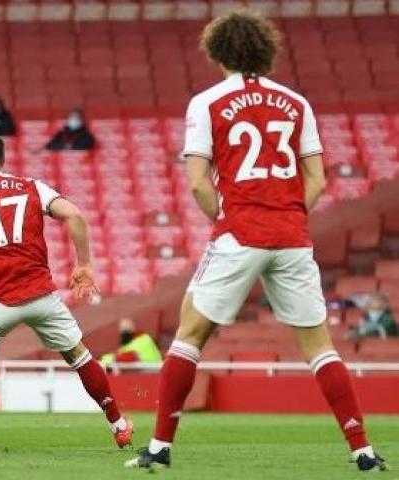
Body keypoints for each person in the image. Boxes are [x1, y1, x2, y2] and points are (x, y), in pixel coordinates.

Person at [125, 11, 386, 472]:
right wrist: (287, 214)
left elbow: (200, 183)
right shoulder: (296, 103)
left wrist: (228, 217)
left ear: (216, 51)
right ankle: (363, 452)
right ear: (266, 50)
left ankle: (160, 449)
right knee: (320, 346)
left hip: (240, 230)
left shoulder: (207, 103)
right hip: (291, 235)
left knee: (190, 336)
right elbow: (318, 178)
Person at [0, 133, 133, 453]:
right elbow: (75, 215)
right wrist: (84, 265)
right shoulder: (31, 186)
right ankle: (119, 425)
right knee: (78, 355)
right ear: (2, 160)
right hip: (42, 296)